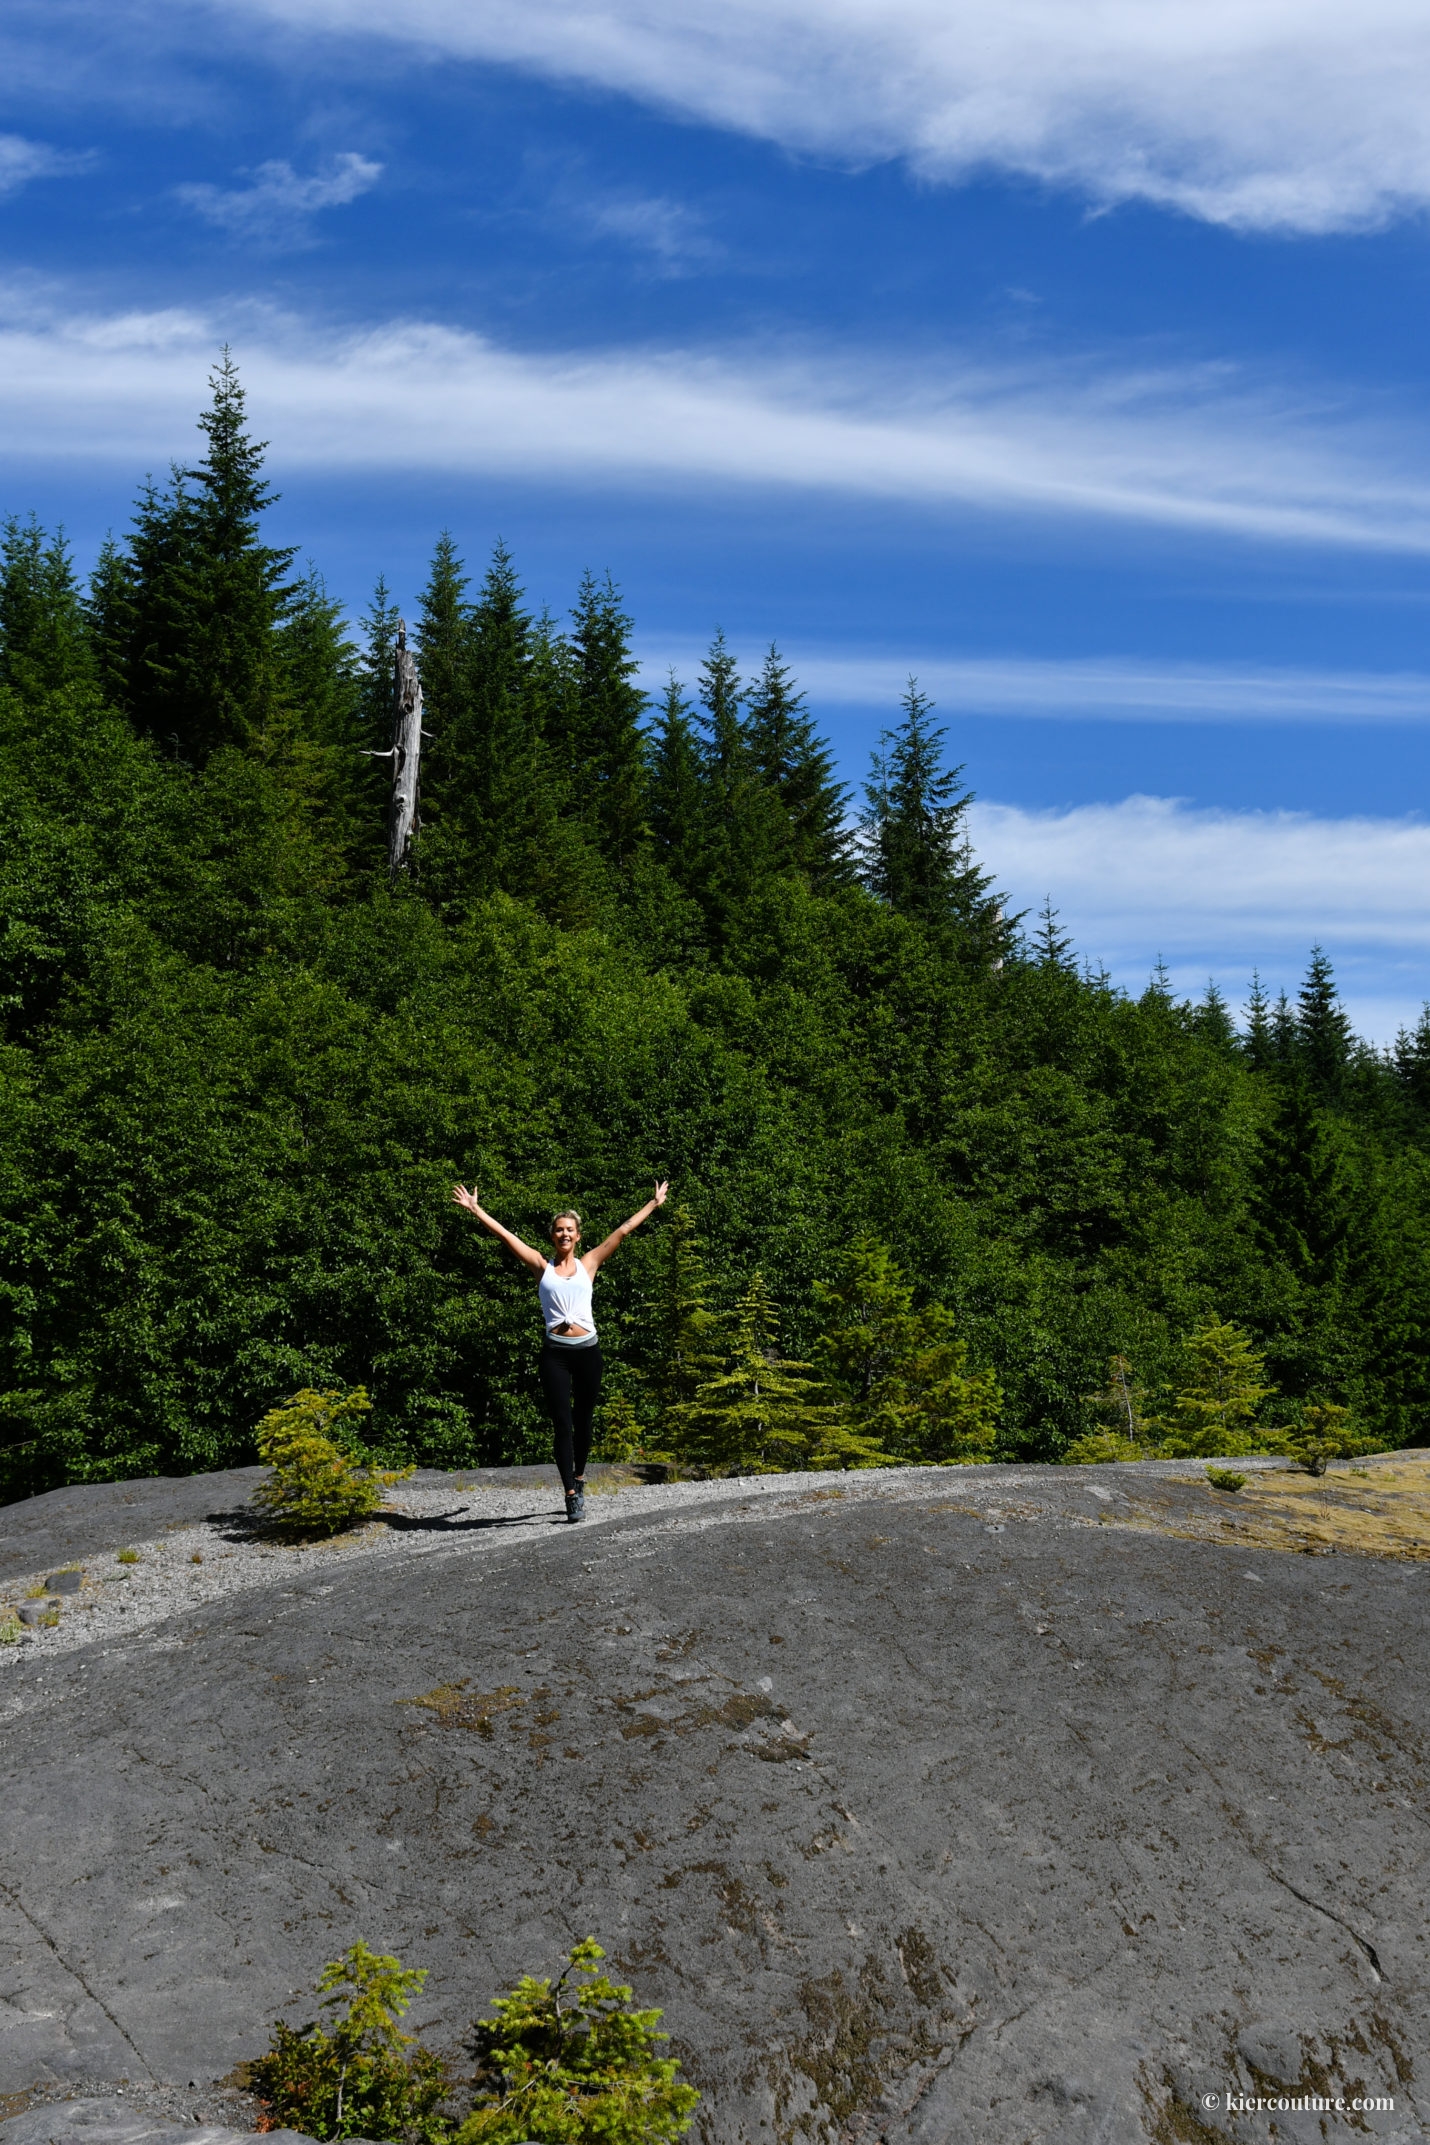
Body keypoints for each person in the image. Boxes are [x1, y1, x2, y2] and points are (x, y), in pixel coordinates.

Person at [451, 1181, 669, 1521]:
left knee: (583, 1422)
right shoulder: (542, 1267)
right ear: (553, 1236)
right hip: (556, 1354)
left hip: (588, 1353)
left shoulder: (590, 1263)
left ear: (578, 1236)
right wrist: (476, 1210)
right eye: (558, 1230)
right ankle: (570, 1494)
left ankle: (580, 1477)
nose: (564, 1234)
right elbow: (507, 1237)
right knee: (562, 1425)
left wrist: (654, 1204)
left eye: (570, 1230)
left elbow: (623, 1231)